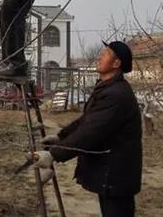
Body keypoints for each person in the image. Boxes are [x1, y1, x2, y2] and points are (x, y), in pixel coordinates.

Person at [33, 41, 142, 217]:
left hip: (116, 174)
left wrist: (54, 154)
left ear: (116, 63)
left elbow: (91, 132)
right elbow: (87, 120)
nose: (100, 56)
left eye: (105, 54)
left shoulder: (117, 95)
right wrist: (61, 137)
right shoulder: (108, 89)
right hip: (111, 172)